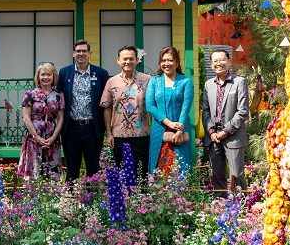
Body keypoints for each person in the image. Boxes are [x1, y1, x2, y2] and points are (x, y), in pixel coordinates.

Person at [57, 39, 109, 181]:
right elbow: (58, 100)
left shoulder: (101, 74)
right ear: (73, 53)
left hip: (92, 128)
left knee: (93, 169)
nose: (81, 54)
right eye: (78, 51)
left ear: (89, 53)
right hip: (71, 128)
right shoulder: (64, 73)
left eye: (84, 51)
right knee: (72, 169)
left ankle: (92, 200)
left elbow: (106, 102)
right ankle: (71, 200)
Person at [202, 48, 249, 197]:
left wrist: (225, 131)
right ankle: (220, 205)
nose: (218, 63)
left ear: (229, 61)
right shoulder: (208, 84)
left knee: (236, 174)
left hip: (232, 135)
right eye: (215, 61)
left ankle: (243, 207)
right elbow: (206, 111)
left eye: (222, 60)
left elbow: (243, 112)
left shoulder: (239, 82)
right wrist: (211, 132)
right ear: (211, 64)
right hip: (214, 137)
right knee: (217, 174)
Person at [101, 45, 151, 181]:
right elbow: (107, 107)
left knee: (141, 175)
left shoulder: (147, 80)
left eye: (131, 59)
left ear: (137, 60)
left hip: (142, 135)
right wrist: (109, 133)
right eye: (125, 59)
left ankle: (141, 202)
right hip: (119, 136)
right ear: (118, 60)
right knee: (121, 175)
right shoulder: (111, 82)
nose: (128, 62)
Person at [146, 46, 194, 175]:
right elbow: (150, 105)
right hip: (159, 130)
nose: (166, 64)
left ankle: (180, 195)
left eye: (170, 60)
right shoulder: (154, 81)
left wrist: (179, 130)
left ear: (177, 63)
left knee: (180, 167)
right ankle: (159, 195)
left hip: (180, 129)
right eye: (163, 60)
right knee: (158, 167)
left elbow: (186, 108)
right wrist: (168, 123)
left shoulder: (185, 81)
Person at [18, 62, 65, 180]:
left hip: (51, 138)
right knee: (33, 173)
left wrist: (53, 138)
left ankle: (52, 196)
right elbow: (26, 117)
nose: (45, 77)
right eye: (42, 74)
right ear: (38, 76)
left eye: (49, 74)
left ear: (54, 76)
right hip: (34, 137)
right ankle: (32, 197)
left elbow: (61, 118)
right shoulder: (30, 94)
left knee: (52, 175)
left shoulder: (59, 95)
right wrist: (36, 137)